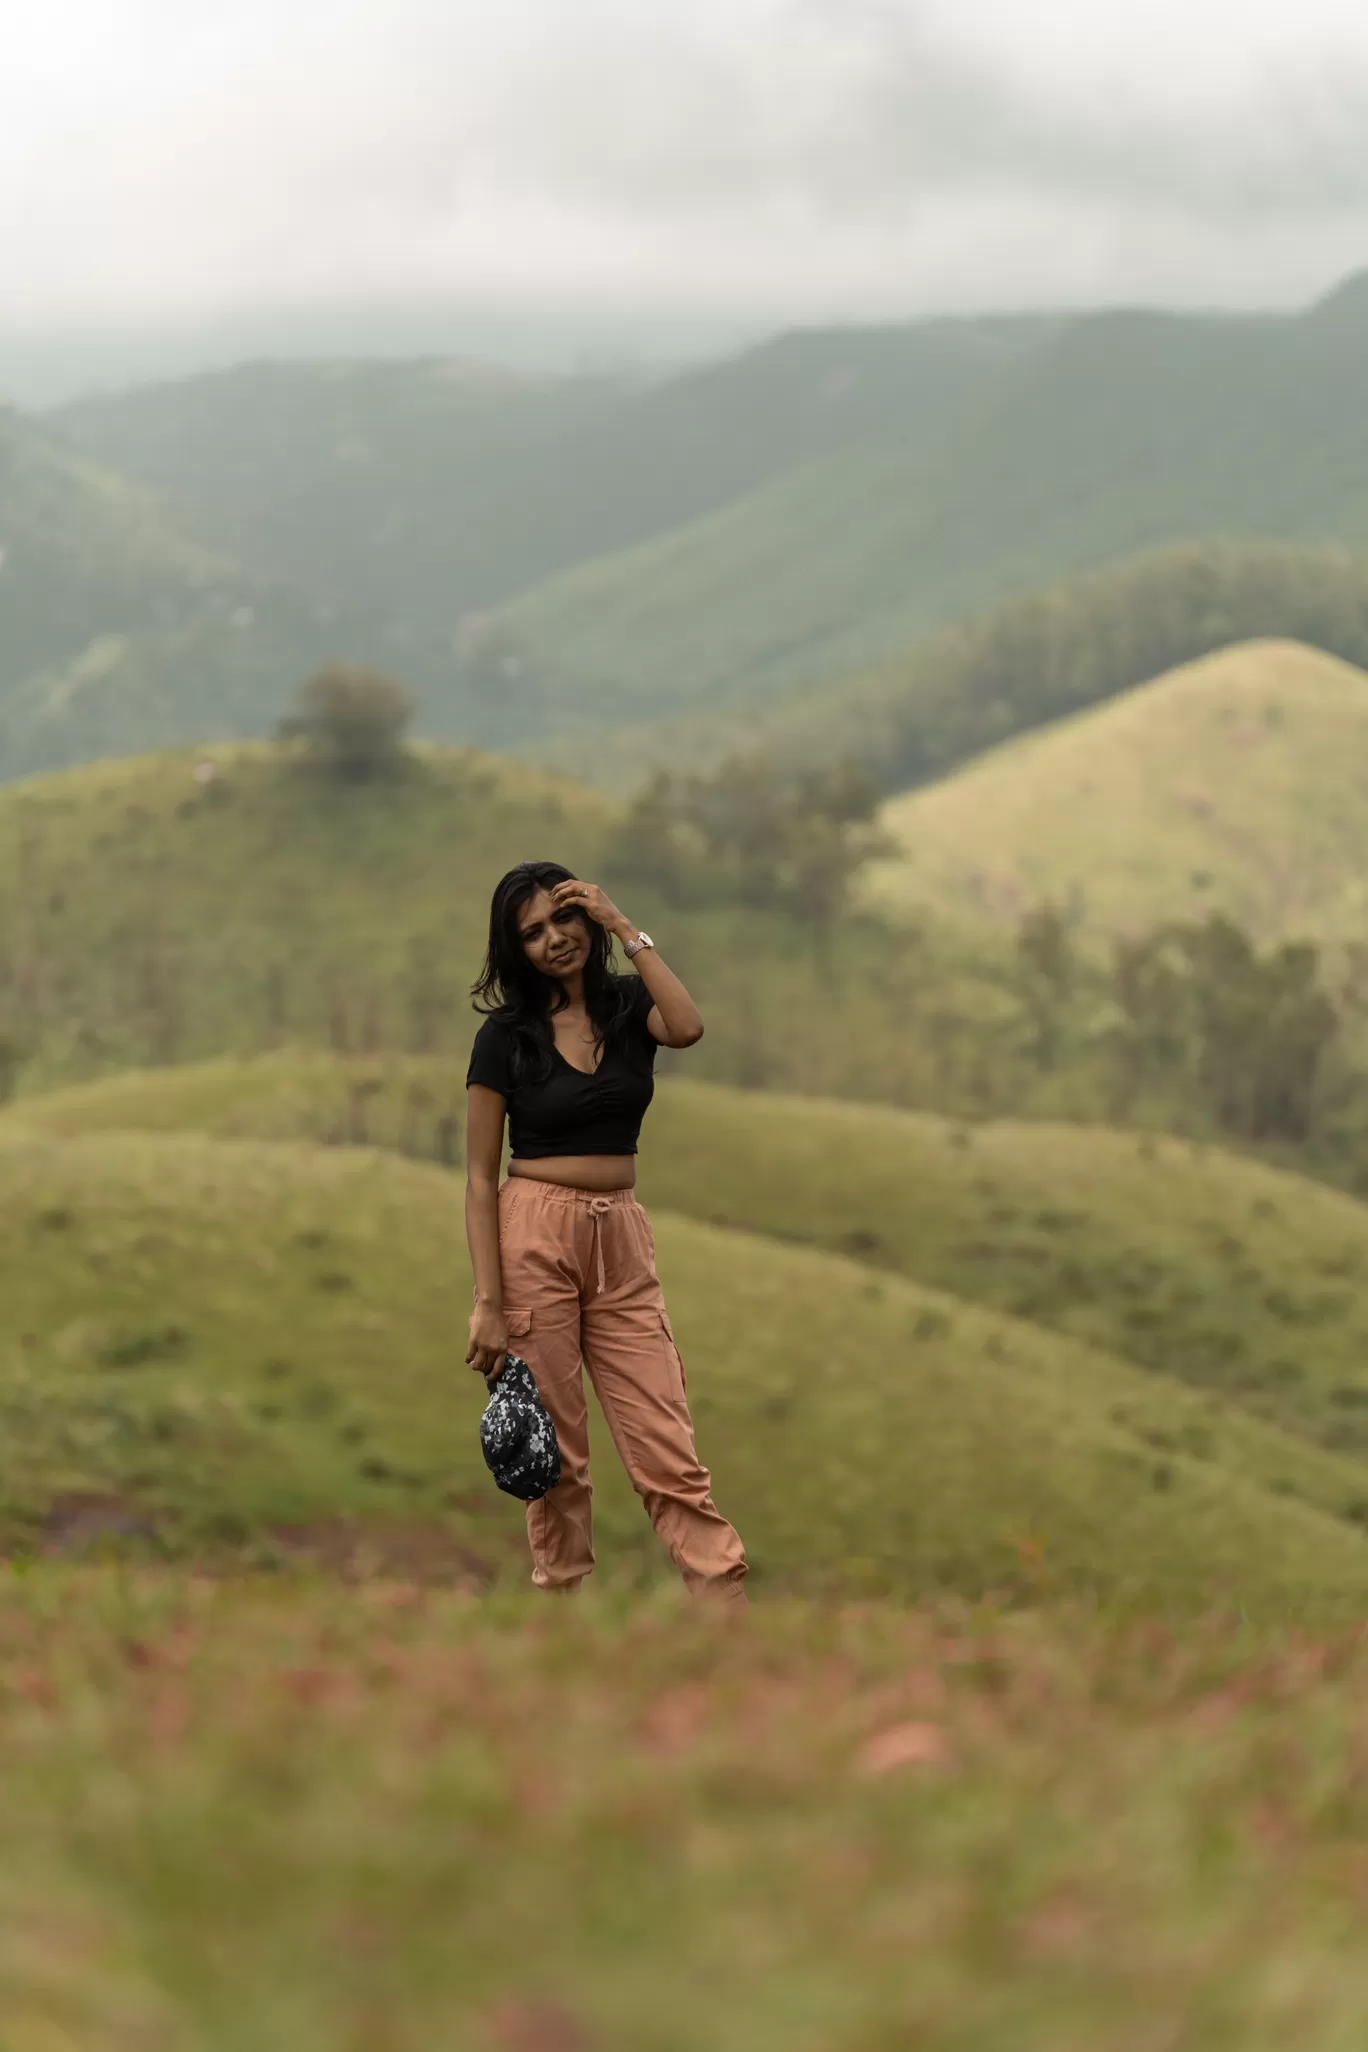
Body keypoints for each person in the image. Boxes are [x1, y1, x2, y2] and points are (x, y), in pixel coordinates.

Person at [464, 860, 748, 1604]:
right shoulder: (504, 1038)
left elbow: (686, 1026)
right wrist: (488, 1303)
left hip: (620, 1237)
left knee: (667, 1449)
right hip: (533, 1232)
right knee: (556, 1459)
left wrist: (627, 926)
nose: (555, 939)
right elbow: (476, 1178)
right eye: (533, 932)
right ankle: (561, 1621)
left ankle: (724, 1612)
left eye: (565, 920)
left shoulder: (628, 1007)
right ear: (514, 949)